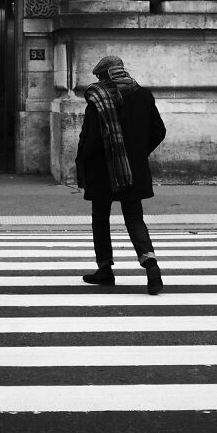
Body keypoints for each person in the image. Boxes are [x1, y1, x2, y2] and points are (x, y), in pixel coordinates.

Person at [75, 55, 167, 295]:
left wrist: (82, 161)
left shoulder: (98, 98)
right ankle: (151, 265)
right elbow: (159, 130)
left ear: (104, 75)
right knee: (134, 218)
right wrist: (137, 154)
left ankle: (105, 269)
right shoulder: (143, 95)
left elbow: (92, 138)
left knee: (101, 217)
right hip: (132, 170)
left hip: (102, 170)